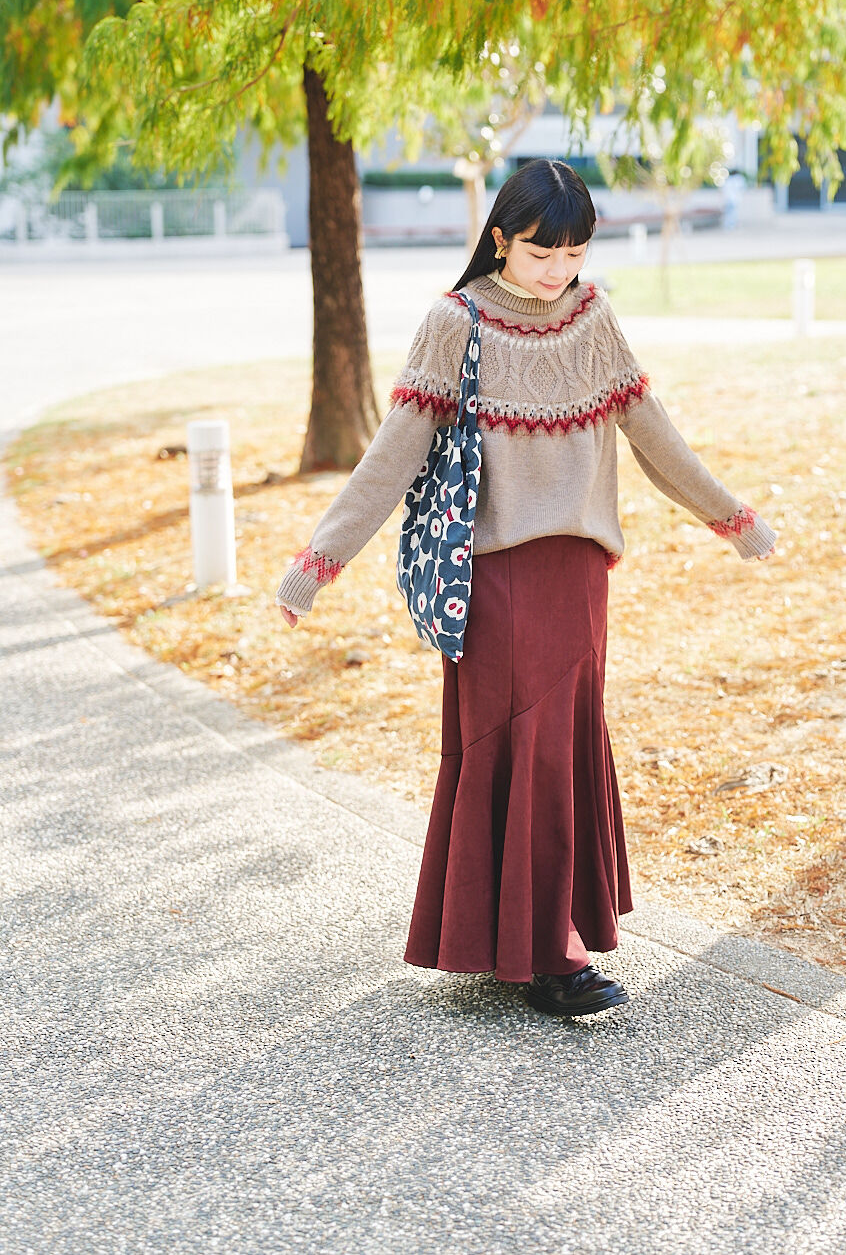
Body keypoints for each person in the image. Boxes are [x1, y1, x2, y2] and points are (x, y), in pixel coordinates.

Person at [276, 160, 775, 1018]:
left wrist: (730, 517)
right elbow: (394, 452)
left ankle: (536, 941)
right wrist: (316, 564)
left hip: (578, 576)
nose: (559, 272)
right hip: (495, 577)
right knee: (520, 748)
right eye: (543, 253)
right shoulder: (456, 322)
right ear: (500, 239)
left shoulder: (592, 316)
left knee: (561, 751)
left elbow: (652, 433)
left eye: (575, 253)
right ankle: (548, 958)